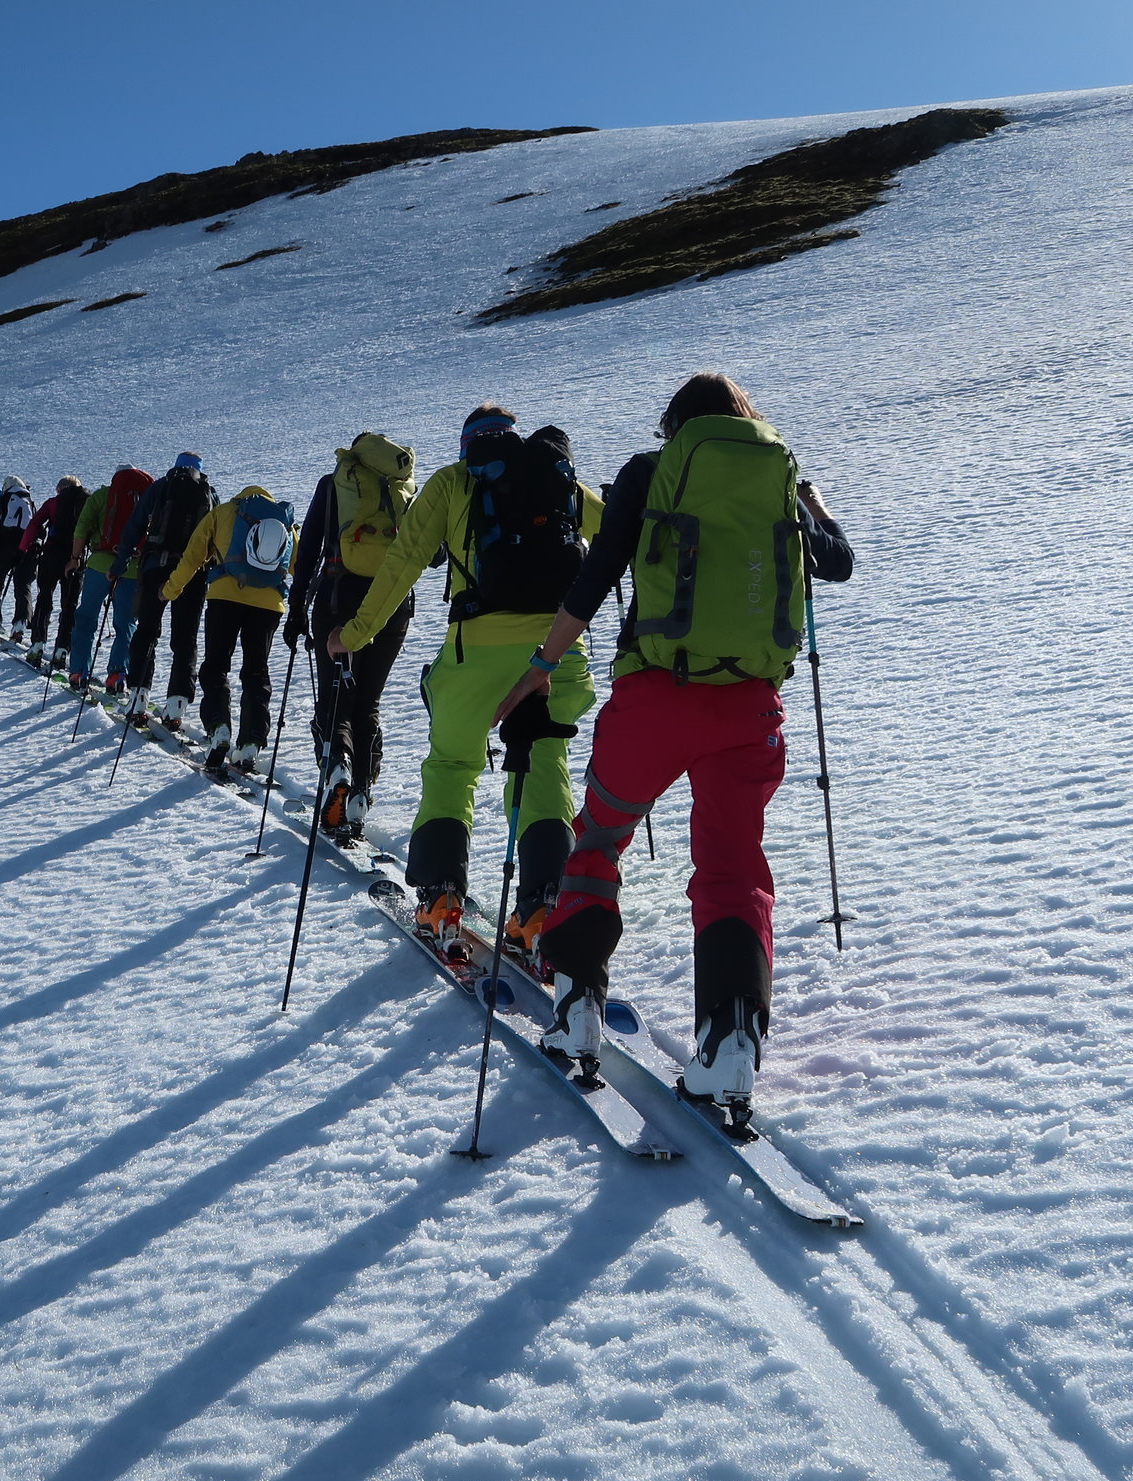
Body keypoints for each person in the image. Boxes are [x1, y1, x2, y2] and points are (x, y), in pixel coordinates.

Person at [491, 373, 856, 1120]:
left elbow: (595, 576)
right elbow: (838, 560)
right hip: (750, 710)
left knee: (597, 843)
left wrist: (540, 667)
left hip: (654, 701)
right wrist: (814, 502)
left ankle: (578, 1009)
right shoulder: (776, 476)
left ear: (676, 427)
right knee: (731, 866)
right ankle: (729, 1048)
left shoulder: (650, 472)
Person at [326, 405, 606, 953]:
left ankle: (440, 899)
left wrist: (353, 635)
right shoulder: (557, 478)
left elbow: (403, 562)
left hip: (474, 649)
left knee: (454, 764)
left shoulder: (454, 482)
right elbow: (624, 536)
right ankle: (542, 907)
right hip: (557, 651)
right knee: (545, 763)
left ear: (466, 445)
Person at [286, 432, 418, 842]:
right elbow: (433, 554)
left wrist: (295, 611)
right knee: (368, 701)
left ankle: (337, 770)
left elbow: (306, 551)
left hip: (338, 596)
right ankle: (360, 790)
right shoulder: (403, 490)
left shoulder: (333, 484)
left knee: (336, 696)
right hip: (394, 601)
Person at [158, 484, 295, 775]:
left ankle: (219, 728)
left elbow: (193, 556)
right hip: (269, 605)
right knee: (256, 672)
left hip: (224, 597)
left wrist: (171, 590)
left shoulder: (223, 512)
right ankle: (251, 743)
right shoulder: (284, 520)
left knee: (216, 666)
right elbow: (298, 564)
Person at [114, 453, 220, 726]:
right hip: (194, 574)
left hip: (155, 566)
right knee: (185, 639)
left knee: (147, 630)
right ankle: (177, 705)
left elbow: (135, 524)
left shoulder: (160, 486)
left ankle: (138, 697)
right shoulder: (210, 493)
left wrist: (120, 562)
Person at [64, 464, 154, 693]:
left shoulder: (101, 496)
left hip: (100, 564)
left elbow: (82, 528)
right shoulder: (146, 498)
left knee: (86, 617)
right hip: (133, 567)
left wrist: (75, 558)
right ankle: (116, 674)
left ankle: (78, 672)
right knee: (125, 624)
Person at [24, 475, 89, 667]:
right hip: (75, 558)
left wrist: (24, 547)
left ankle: (37, 644)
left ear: (60, 490)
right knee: (69, 604)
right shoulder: (86, 503)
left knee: (44, 598)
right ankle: (62, 649)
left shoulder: (53, 503)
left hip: (51, 554)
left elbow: (35, 524)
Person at [0, 476, 36, 634]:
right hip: (26, 549)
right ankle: (21, 623)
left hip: (2, 547)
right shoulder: (30, 502)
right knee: (23, 587)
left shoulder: (2, 500)